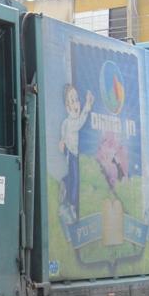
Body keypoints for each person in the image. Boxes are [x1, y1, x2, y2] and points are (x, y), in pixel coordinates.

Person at [59, 83, 94, 221]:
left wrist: (62, 140)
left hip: (72, 152)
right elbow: (80, 122)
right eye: (72, 101)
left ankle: (64, 182)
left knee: (73, 175)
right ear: (67, 107)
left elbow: (64, 128)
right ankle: (72, 204)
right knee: (75, 178)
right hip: (71, 153)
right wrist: (87, 106)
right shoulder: (72, 122)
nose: (76, 104)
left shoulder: (67, 122)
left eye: (77, 99)